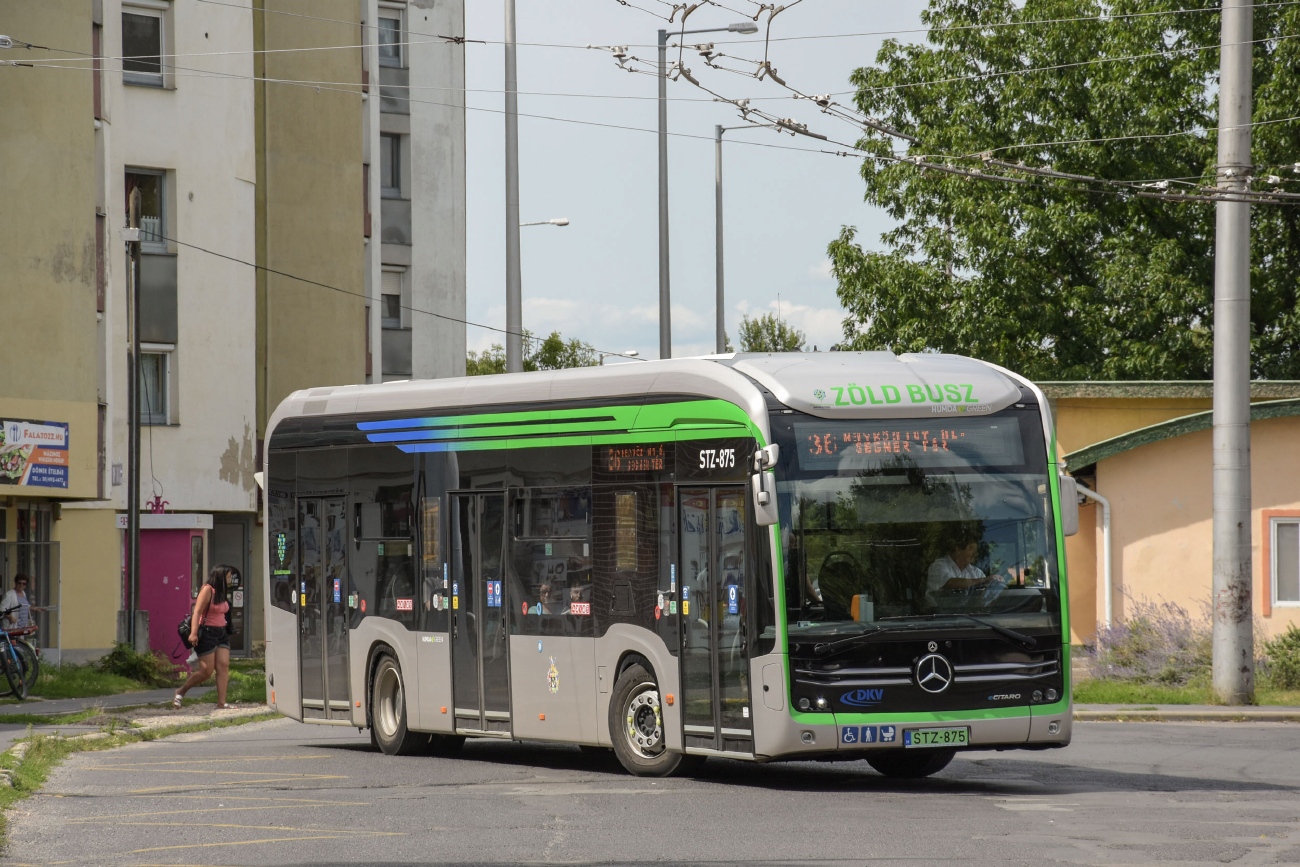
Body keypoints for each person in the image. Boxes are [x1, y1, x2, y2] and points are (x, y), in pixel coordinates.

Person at [174, 564, 236, 709]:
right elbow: (197, 612)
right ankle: (181, 691)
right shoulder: (208, 590)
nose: (230, 580)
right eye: (228, 577)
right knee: (206, 671)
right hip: (207, 633)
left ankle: (221, 703)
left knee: (223, 666)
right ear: (220, 577)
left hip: (221, 633)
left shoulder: (222, 592)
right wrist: (194, 633)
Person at [926, 533, 996, 596]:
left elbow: (984, 596)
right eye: (971, 548)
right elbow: (951, 583)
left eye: (976, 550)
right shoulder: (938, 566)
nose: (976, 554)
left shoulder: (977, 573)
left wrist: (994, 580)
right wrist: (982, 580)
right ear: (958, 549)